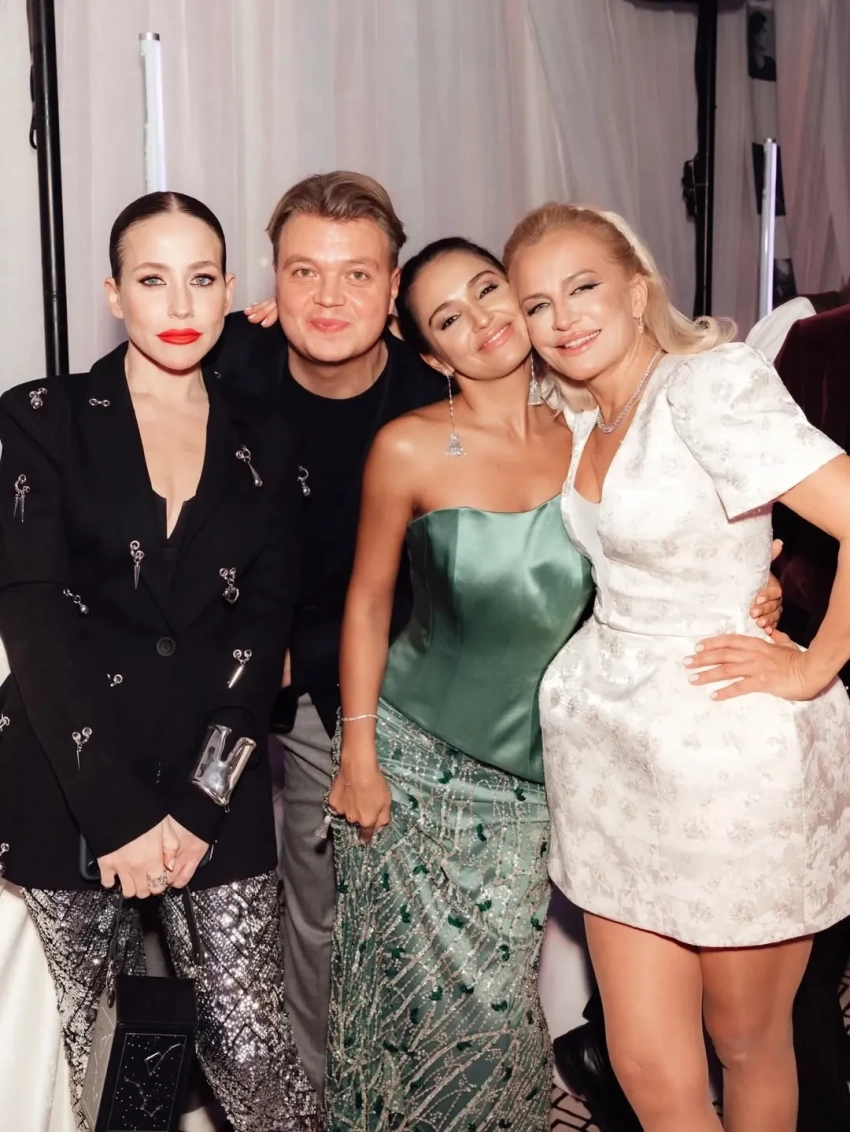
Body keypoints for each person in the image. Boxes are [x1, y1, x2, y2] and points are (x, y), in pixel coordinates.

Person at [322, 237, 783, 1131]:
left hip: (543, 771)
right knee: (403, 1006)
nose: (482, 320)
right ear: (433, 355)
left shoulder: (590, 428)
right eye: (449, 317)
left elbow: (667, 550)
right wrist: (359, 753)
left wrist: (749, 589)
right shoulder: (406, 448)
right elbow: (368, 601)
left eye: (489, 290)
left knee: (497, 1006)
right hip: (412, 764)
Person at [505, 201, 850, 1132]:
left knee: (745, 1040)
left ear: (637, 289)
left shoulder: (707, 385)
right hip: (611, 752)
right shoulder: (575, 409)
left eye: (582, 287)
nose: (562, 318)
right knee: (647, 1064)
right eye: (537, 304)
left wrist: (814, 667)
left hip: (728, 750)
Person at [0, 191, 316, 1131]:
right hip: (66, 783)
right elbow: (34, 613)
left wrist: (197, 805)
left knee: (253, 1059)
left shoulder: (269, 436)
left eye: (202, 278)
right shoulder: (40, 417)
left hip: (215, 785)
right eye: (152, 279)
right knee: (85, 1064)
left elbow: (263, 631)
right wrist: (119, 818)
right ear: (114, 293)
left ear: (229, 290)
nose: (180, 303)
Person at [206, 171, 446, 1092]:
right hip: (210, 666)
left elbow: (437, 590)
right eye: (304, 272)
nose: (327, 298)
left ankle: (325, 1089)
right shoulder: (225, 356)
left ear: (394, 289)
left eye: (356, 275)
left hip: (351, 684)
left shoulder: (435, 403)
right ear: (273, 279)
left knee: (325, 903)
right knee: (186, 889)